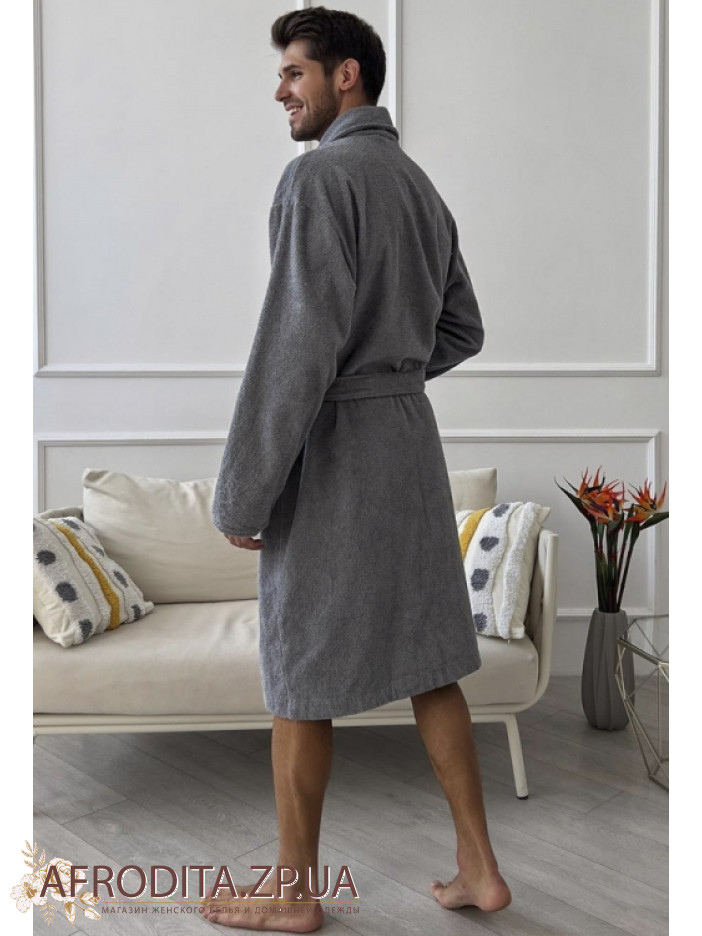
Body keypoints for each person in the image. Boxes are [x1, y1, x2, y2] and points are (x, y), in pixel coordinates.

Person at [205, 6, 511, 930]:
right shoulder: (417, 185)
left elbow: (294, 351)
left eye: (294, 72)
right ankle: (480, 869)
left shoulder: (318, 179)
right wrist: (391, 377)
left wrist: (243, 493)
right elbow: (464, 328)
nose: (279, 91)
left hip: (337, 452)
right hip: (408, 445)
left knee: (300, 669)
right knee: (431, 657)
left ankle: (293, 894)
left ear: (347, 76)